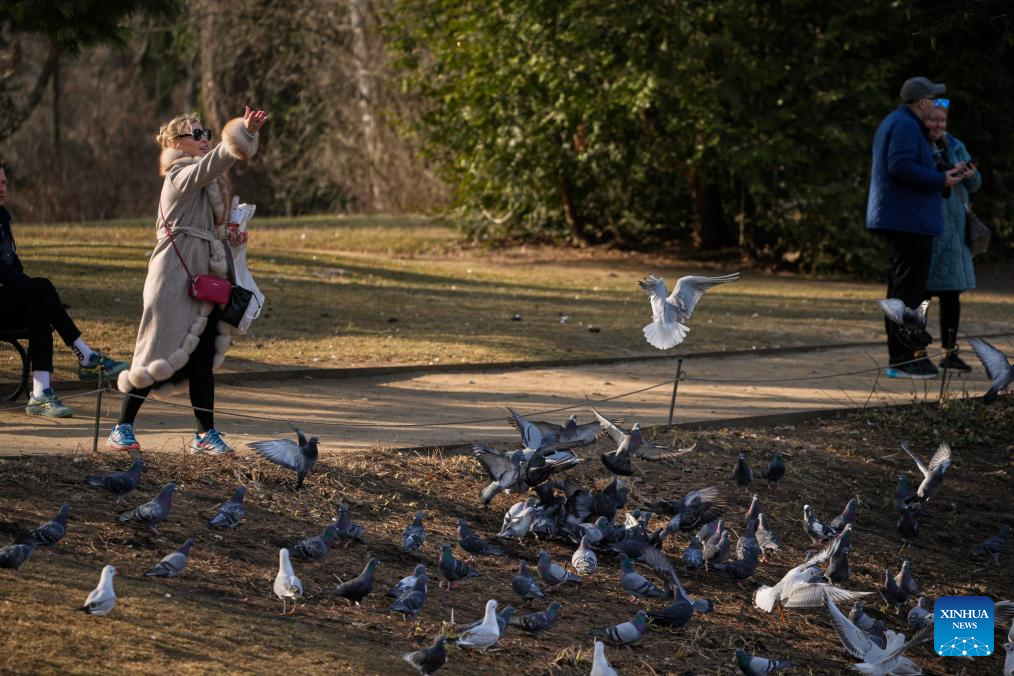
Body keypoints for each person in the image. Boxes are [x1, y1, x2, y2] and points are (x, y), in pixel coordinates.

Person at [108, 107, 269, 453]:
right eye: (195, 134)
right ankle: (121, 427)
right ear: (175, 144)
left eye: (206, 132)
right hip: (171, 279)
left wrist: (231, 237)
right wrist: (242, 134)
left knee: (202, 357)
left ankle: (204, 434)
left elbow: (211, 229)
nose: (204, 138)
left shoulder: (206, 185)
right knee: (154, 351)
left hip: (201, 281)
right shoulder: (178, 175)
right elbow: (210, 166)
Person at [0, 165, 129, 417]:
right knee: (43, 287)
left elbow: (13, 268)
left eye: (4, 183)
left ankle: (40, 394)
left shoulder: (2, 218)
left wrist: (31, 290)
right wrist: (32, 288)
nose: (2, 188)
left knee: (40, 308)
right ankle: (86, 357)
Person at [866, 76, 967, 379]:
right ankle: (904, 359)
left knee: (903, 290)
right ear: (921, 102)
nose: (936, 104)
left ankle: (903, 357)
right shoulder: (906, 125)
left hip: (906, 218)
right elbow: (900, 165)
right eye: (933, 99)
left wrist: (943, 171)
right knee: (907, 293)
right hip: (907, 220)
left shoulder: (901, 122)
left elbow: (909, 164)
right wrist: (940, 179)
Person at [924, 100, 980, 371]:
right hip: (931, 229)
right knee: (921, 297)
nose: (938, 125)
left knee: (951, 296)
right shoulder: (920, 145)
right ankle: (916, 351)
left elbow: (976, 185)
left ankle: (950, 352)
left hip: (956, 233)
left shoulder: (956, 145)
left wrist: (971, 174)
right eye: (933, 119)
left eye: (942, 120)